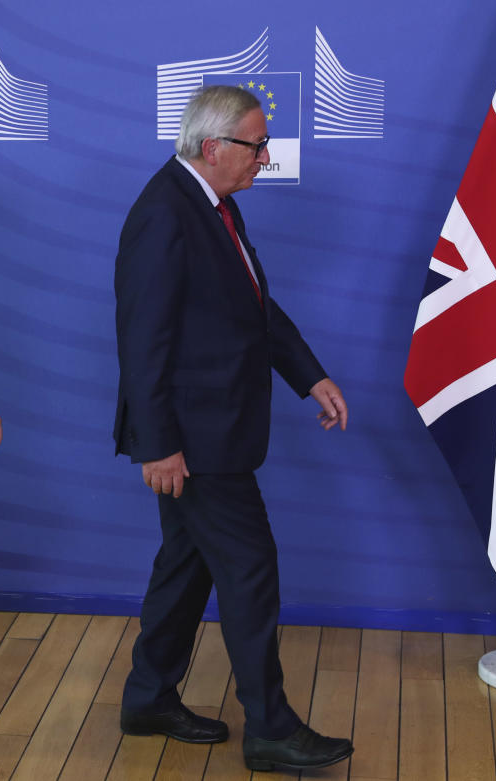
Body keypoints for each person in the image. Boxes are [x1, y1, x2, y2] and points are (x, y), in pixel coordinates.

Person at [113, 85, 354, 772]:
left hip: (213, 430)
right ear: (212, 147)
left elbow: (258, 313)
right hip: (193, 437)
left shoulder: (217, 207)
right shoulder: (165, 213)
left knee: (187, 566)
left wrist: (311, 374)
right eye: (256, 145)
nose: (266, 157)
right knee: (249, 569)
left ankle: (149, 695)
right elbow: (143, 339)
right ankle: (271, 727)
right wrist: (158, 442)